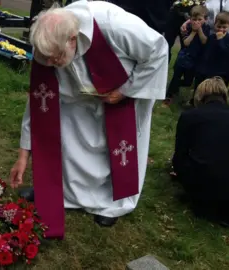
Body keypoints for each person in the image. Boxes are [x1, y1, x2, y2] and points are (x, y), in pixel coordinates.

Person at [9, 0, 168, 238]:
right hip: (76, 95)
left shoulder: (116, 26)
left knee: (116, 149)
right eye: (48, 59)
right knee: (72, 140)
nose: (51, 64)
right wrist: (23, 154)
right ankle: (66, 194)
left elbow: (158, 50)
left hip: (122, 89)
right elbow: (36, 102)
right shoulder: (48, 45)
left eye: (56, 59)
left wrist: (125, 90)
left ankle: (113, 204)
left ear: (73, 39)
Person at [172, 77, 229, 227]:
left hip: (204, 189)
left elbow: (179, 157)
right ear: (224, 96)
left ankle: (204, 201)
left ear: (199, 96)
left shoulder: (190, 116)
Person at [180, 0, 229, 94]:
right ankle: (201, 91)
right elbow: (203, 13)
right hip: (210, 37)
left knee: (224, 70)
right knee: (205, 65)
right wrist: (189, 22)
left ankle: (218, 95)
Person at [165, 5, 210, 105]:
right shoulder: (187, 27)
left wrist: (199, 30)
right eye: (194, 19)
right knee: (176, 76)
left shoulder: (206, 28)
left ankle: (179, 88)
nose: (196, 22)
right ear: (190, 19)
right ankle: (169, 95)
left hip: (196, 58)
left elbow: (204, 41)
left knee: (188, 81)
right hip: (184, 56)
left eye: (200, 19)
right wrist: (193, 32)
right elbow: (186, 43)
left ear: (205, 19)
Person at [191, 11, 229, 104]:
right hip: (204, 67)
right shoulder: (211, 37)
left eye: (224, 27)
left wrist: (220, 40)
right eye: (218, 26)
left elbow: (225, 52)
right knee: (199, 85)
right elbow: (206, 51)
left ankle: (207, 103)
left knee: (210, 89)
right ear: (214, 25)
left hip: (217, 70)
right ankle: (194, 101)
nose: (221, 29)